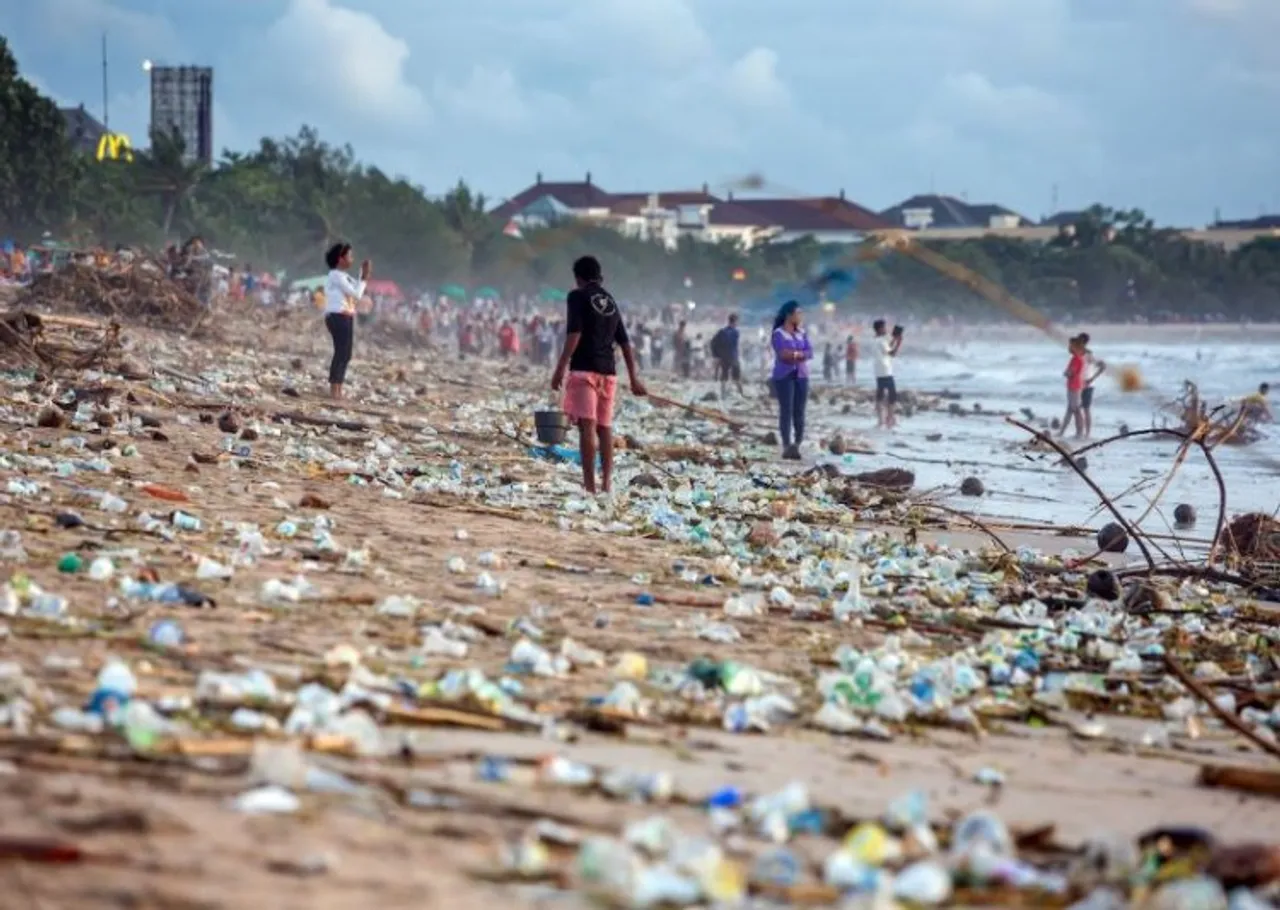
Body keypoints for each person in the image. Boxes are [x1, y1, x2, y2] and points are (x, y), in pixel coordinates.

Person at [551, 255, 647, 495]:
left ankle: (590, 487)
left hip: (585, 369)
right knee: (604, 428)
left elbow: (574, 334)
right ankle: (606, 485)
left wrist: (560, 368)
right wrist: (634, 379)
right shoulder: (611, 301)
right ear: (599, 276)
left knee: (587, 427)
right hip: (609, 373)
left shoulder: (577, 296)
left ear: (578, 278)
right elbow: (625, 343)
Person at [322, 242, 370, 400]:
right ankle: (334, 388)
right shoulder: (335, 275)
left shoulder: (344, 276)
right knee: (341, 352)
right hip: (337, 316)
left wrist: (362, 276)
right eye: (349, 256)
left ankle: (338, 387)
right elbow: (357, 294)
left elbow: (357, 288)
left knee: (346, 353)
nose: (352, 259)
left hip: (346, 315)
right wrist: (363, 280)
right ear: (340, 259)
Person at [770, 300, 813, 461]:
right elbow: (783, 354)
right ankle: (787, 444)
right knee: (786, 410)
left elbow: (810, 352)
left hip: (802, 375)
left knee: (799, 411)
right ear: (789, 315)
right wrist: (799, 354)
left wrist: (795, 354)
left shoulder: (802, 333)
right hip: (784, 376)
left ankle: (798, 442)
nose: (800, 316)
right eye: (798, 313)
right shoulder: (778, 334)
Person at [872, 320, 903, 429]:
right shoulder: (881, 340)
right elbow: (892, 353)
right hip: (886, 371)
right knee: (892, 396)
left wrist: (894, 339)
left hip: (879, 370)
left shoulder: (877, 340)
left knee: (880, 395)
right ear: (880, 328)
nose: (886, 329)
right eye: (884, 327)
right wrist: (899, 343)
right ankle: (890, 419)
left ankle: (881, 421)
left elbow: (887, 348)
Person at [1077, 331, 1107, 437]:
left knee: (1085, 409)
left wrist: (1092, 379)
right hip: (1078, 384)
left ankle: (1087, 433)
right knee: (1077, 409)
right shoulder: (1078, 353)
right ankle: (1080, 431)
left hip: (1087, 384)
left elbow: (1102, 366)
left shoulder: (1088, 354)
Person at [710, 313, 743, 397]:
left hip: (724, 357)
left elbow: (713, 343)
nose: (737, 323)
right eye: (737, 322)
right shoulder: (735, 332)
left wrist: (716, 355)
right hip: (733, 356)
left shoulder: (722, 332)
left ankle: (723, 394)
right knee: (737, 376)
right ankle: (741, 393)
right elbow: (735, 346)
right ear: (735, 321)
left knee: (724, 375)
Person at [1059, 335, 1087, 438]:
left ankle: (1079, 432)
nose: (1069, 348)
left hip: (1074, 386)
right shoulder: (1076, 358)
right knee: (1071, 409)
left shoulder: (1076, 359)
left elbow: (1071, 372)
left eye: (1071, 346)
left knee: (1075, 409)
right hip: (1073, 385)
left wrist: (1066, 373)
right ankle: (1063, 431)